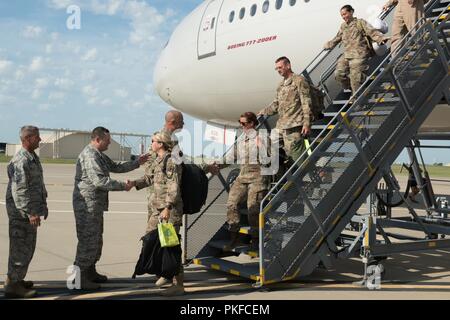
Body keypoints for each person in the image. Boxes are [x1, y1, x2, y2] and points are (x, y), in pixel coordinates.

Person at [72, 127, 148, 290]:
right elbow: (99, 181)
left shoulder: (98, 154)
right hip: (87, 206)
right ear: (97, 139)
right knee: (87, 241)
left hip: (95, 205)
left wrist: (137, 162)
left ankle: (90, 271)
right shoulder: (91, 155)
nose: (109, 143)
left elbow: (116, 167)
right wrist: (123, 186)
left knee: (96, 239)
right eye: (107, 140)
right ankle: (78, 279)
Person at [131, 131, 185, 297]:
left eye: (153, 141)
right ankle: (164, 273)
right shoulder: (158, 160)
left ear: (161, 144)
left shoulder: (171, 160)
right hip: (157, 209)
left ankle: (178, 284)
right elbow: (149, 179)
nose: (151, 143)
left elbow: (174, 186)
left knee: (171, 246)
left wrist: (168, 207)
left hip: (169, 210)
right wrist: (134, 183)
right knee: (150, 240)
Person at [4, 126, 47, 298]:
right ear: (28, 138)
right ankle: (13, 286)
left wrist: (42, 205)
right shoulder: (21, 160)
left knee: (26, 247)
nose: (40, 140)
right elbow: (20, 190)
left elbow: (36, 184)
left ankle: (15, 279)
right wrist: (30, 213)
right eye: (37, 137)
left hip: (28, 211)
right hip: (21, 214)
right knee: (20, 248)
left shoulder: (32, 157)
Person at [220, 112, 270, 251]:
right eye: (240, 123)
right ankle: (234, 238)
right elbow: (231, 157)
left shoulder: (263, 138)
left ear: (252, 123)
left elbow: (271, 159)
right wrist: (217, 164)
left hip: (258, 177)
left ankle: (256, 240)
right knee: (231, 204)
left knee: (253, 208)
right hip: (242, 177)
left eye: (243, 123)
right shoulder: (241, 139)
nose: (241, 126)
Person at [258, 56, 313, 163]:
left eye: (280, 67)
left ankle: (306, 175)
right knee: (267, 143)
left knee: (296, 157)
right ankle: (282, 169)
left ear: (288, 66)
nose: (278, 70)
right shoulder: (281, 85)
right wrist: (264, 111)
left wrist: (307, 123)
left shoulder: (299, 80)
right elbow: (276, 104)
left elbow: (306, 102)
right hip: (281, 126)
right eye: (277, 68)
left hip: (294, 126)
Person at [324, 5, 389, 94]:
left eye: (345, 14)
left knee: (355, 78)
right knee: (339, 74)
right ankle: (359, 83)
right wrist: (328, 45)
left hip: (359, 54)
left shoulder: (360, 22)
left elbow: (371, 31)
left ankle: (356, 97)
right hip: (347, 55)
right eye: (342, 15)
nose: (343, 17)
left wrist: (380, 39)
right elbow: (337, 38)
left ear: (351, 12)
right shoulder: (343, 26)